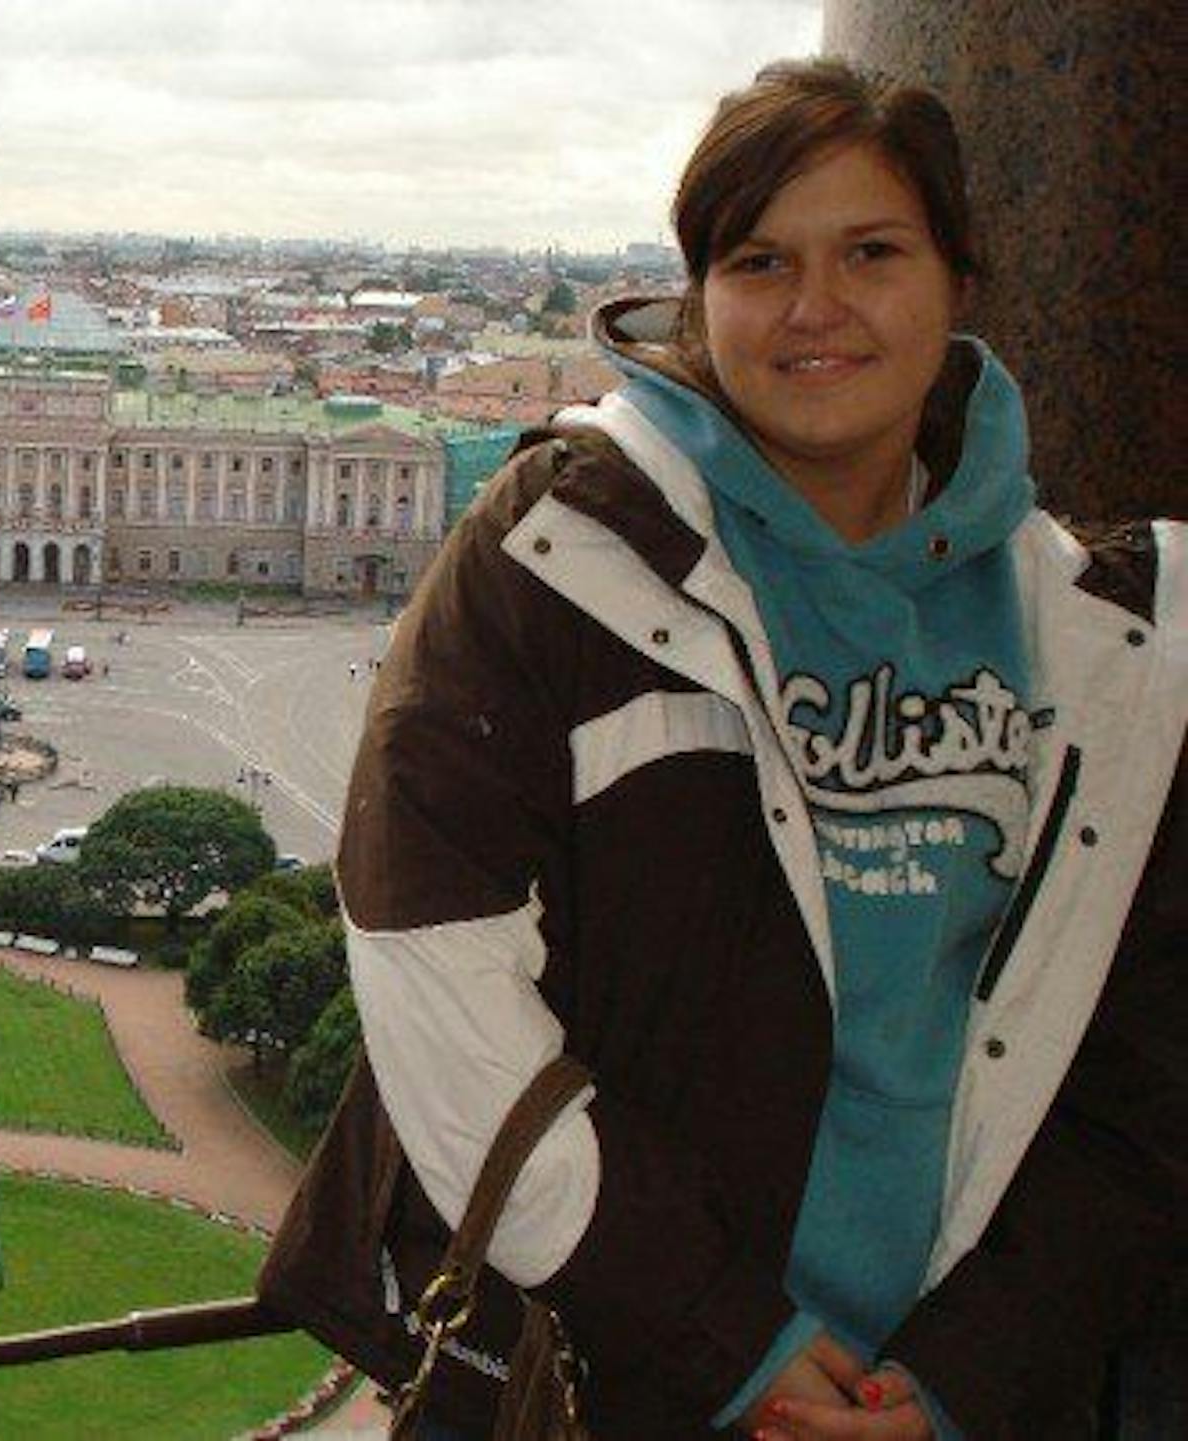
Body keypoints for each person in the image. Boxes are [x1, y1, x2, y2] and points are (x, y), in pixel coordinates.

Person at [260, 58, 1182, 1440]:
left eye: (871, 251)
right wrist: (731, 1340)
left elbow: (1140, 1085)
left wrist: (957, 1381)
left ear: (957, 279)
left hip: (915, 1391)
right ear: (704, 299)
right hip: (590, 1368)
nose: (815, 307)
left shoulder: (1111, 640)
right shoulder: (548, 552)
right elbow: (435, 980)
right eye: (761, 260)